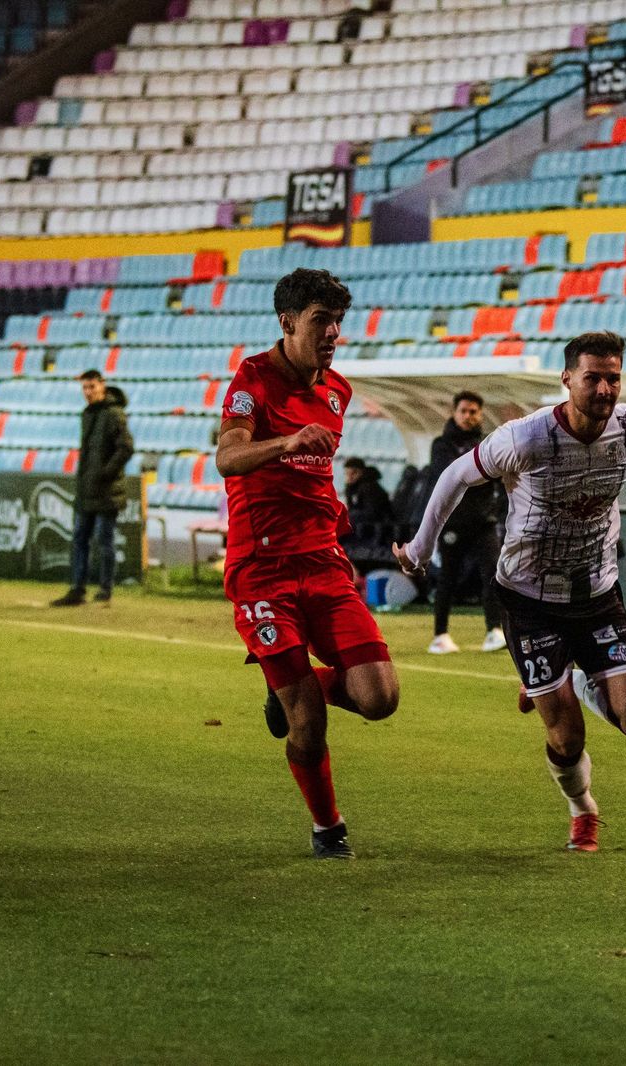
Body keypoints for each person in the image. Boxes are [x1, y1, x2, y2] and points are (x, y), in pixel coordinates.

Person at [394, 331, 626, 853]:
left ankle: (578, 677)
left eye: (613, 378)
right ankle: (583, 809)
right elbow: (456, 476)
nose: (604, 388)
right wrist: (417, 548)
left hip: (596, 593)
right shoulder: (525, 439)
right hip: (529, 600)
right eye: (592, 377)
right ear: (567, 379)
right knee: (567, 737)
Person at [215, 268, 400, 860]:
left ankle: (291, 690)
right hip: (262, 570)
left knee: (379, 697)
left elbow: (317, 482)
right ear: (288, 322)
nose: (334, 333)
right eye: (322, 320)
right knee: (309, 720)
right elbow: (228, 456)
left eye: (338, 322)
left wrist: (341, 540)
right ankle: (328, 827)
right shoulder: (252, 381)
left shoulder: (338, 391)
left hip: (323, 563)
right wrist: (286, 442)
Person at [423, 390, 508, 655]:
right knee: (448, 578)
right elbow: (448, 475)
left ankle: (494, 630)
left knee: (493, 574)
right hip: (453, 522)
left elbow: (495, 475)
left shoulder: (487, 443)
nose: (469, 416)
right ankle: (440, 635)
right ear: (454, 413)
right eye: (464, 411)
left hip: (483, 521)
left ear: (480, 415)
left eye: (474, 412)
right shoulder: (441, 444)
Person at [52, 369, 134, 607]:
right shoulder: (88, 414)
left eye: (92, 387)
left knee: (104, 540)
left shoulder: (114, 414)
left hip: (107, 490)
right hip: (87, 488)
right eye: (85, 388)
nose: (88, 392)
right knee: (80, 538)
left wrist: (106, 473)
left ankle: (105, 589)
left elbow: (126, 447)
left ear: (102, 386)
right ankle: (77, 588)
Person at [340, 457, 393, 573]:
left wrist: (347, 516)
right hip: (363, 526)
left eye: (353, 473)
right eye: (347, 473)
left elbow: (372, 513)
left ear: (361, 472)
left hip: (377, 529)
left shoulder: (369, 487)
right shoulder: (353, 488)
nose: (349, 477)